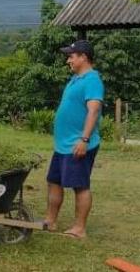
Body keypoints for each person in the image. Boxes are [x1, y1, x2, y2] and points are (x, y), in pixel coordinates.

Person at [44, 39, 104, 239]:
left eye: (71, 56)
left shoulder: (92, 80)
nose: (68, 60)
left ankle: (79, 229)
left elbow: (93, 110)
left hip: (78, 144)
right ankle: (50, 221)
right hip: (63, 145)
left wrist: (84, 140)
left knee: (80, 186)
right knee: (54, 181)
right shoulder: (76, 79)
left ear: (83, 57)